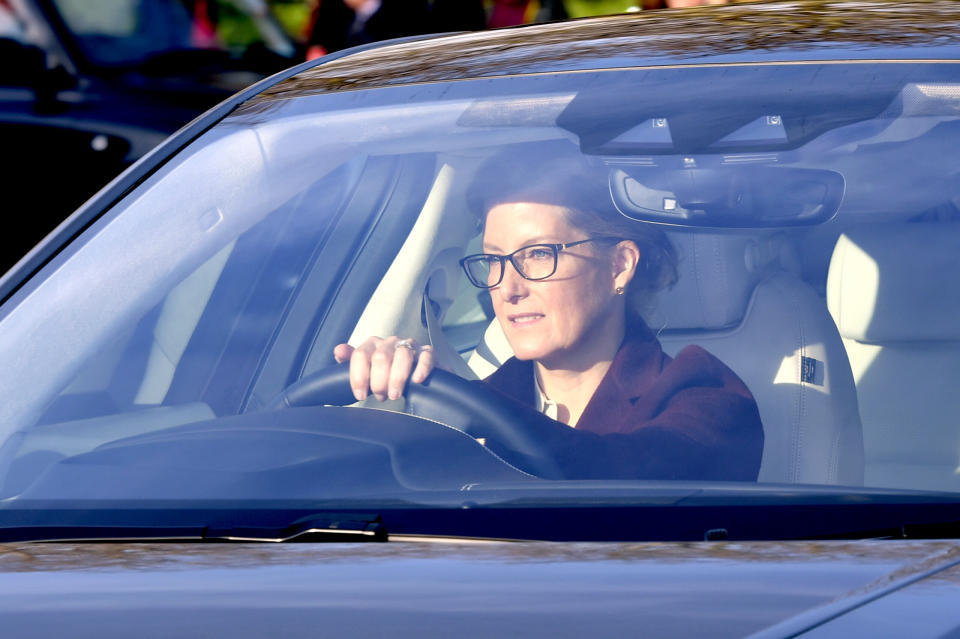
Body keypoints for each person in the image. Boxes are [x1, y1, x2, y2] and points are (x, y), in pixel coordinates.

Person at [334, 148, 764, 481]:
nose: (507, 288)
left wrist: (464, 410)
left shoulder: (705, 397)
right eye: (495, 260)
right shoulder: (477, 397)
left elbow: (625, 477)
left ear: (620, 265)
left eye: (539, 254)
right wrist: (393, 399)